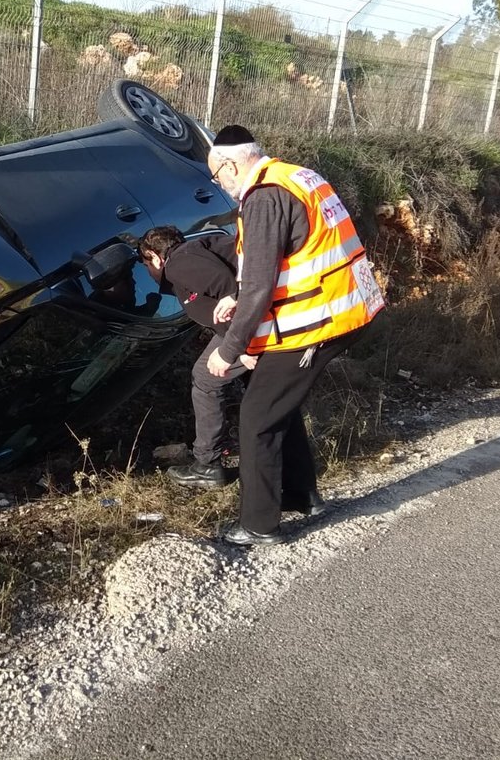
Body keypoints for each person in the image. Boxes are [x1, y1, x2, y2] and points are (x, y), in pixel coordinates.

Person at [205, 124, 384, 546]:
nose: (219, 184)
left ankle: (258, 525)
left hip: (317, 322)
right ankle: (302, 495)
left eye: (216, 175)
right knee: (276, 406)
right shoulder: (298, 176)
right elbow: (283, 261)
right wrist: (237, 296)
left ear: (230, 165)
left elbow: (261, 287)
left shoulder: (264, 198)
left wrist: (232, 349)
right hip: (344, 309)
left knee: (256, 420)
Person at [137, 225, 255, 489]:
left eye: (146, 265)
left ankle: (208, 464)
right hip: (248, 327)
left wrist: (244, 347)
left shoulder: (179, 262)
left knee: (205, 379)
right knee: (206, 375)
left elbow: (228, 286)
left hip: (254, 328)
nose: (149, 272)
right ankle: (215, 458)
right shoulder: (191, 255)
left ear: (154, 256)